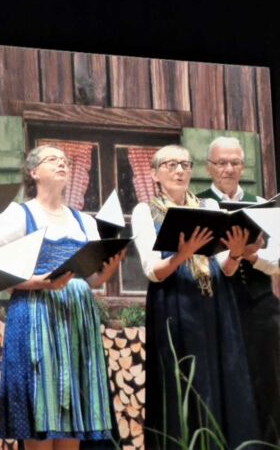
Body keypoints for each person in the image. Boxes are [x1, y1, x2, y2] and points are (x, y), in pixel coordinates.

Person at [0, 145, 123, 450]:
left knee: (72, 410)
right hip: (35, 313)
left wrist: (107, 271)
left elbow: (91, 279)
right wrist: (38, 282)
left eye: (65, 161)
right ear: (33, 172)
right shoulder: (18, 215)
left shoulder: (84, 221)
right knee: (39, 405)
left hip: (76, 320)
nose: (62, 164)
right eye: (53, 160)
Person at [131, 144, 260, 448]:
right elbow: (153, 272)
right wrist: (182, 254)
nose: (180, 171)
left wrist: (237, 253)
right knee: (183, 383)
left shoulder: (209, 206)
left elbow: (225, 269)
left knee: (225, 378)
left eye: (185, 165)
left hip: (216, 303)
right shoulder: (145, 211)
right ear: (154, 174)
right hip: (175, 304)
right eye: (171, 164)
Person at [196, 136, 280, 443]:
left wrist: (250, 255)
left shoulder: (262, 204)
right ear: (209, 167)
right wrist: (234, 254)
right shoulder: (199, 204)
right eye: (221, 163)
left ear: (243, 167)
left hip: (260, 305)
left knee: (267, 379)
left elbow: (277, 260)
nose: (228, 169)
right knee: (225, 378)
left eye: (235, 162)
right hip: (216, 303)